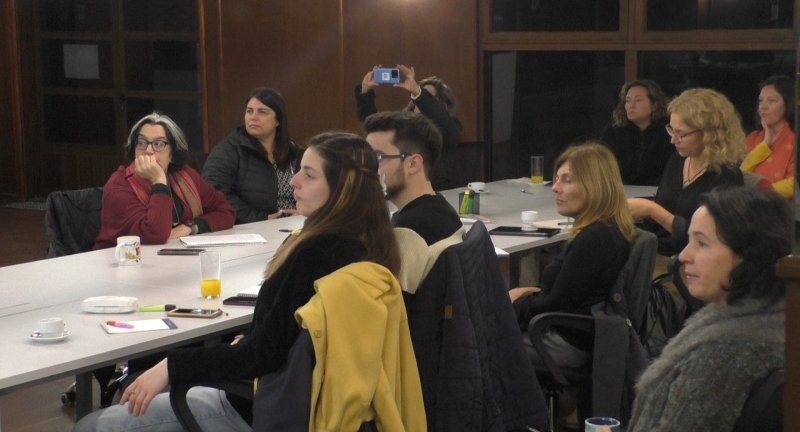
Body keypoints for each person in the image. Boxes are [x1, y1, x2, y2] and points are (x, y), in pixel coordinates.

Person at [74, 132, 405, 431]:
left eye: (309, 174)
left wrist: (170, 367)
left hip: (258, 405)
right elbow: (287, 338)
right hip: (308, 401)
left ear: (342, 188)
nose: (294, 183)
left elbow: (263, 355)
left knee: (92, 425)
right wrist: (250, 337)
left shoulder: (316, 252)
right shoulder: (369, 242)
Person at [628, 187, 789, 431]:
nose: (683, 255)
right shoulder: (775, 321)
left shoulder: (723, 353)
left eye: (701, 243)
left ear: (747, 255)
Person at [509, 142, 636, 367]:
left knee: (477, 345)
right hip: (569, 332)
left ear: (594, 185)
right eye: (557, 178)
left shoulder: (595, 239)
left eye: (567, 180)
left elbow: (557, 305)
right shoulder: (604, 230)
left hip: (566, 341)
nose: (555, 187)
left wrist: (512, 304)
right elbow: (569, 293)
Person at [627, 88, 744, 257]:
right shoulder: (677, 160)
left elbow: (708, 239)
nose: (673, 139)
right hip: (658, 250)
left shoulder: (727, 176)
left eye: (681, 133)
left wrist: (652, 210)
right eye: (671, 130)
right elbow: (657, 220)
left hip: (691, 260)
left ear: (709, 134)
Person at [94, 112, 234, 249]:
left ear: (173, 153)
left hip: (170, 260)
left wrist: (191, 227)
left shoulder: (185, 176)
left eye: (158, 144)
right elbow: (155, 234)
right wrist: (158, 180)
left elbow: (226, 211)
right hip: (121, 264)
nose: (148, 150)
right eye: (142, 142)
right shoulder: (119, 185)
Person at [202, 87, 303, 224]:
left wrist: (304, 213)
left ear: (278, 120)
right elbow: (215, 193)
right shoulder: (227, 150)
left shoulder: (295, 153)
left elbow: (316, 191)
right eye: (249, 111)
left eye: (262, 112)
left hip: (295, 227)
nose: (253, 117)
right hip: (250, 229)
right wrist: (261, 219)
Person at [356, 64, 462, 191]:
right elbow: (375, 125)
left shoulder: (450, 126)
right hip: (402, 191)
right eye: (419, 98)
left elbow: (442, 122)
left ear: (443, 105)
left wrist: (417, 91)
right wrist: (365, 91)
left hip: (436, 191)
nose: (422, 102)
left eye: (428, 97)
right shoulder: (406, 125)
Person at [363, 110, 462, 245]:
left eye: (378, 157)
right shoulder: (438, 209)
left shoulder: (413, 229)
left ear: (413, 164)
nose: (368, 167)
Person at [600, 79, 674, 186]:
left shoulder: (669, 130)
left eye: (638, 100)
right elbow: (601, 162)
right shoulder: (614, 130)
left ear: (654, 105)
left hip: (658, 190)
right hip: (622, 190)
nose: (631, 105)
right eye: (628, 101)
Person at [740, 75, 795, 199]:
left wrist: (760, 193)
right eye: (761, 101)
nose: (763, 107)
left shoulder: (795, 139)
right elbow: (739, 176)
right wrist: (764, 145)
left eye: (771, 101)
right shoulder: (753, 138)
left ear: (788, 104)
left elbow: (794, 184)